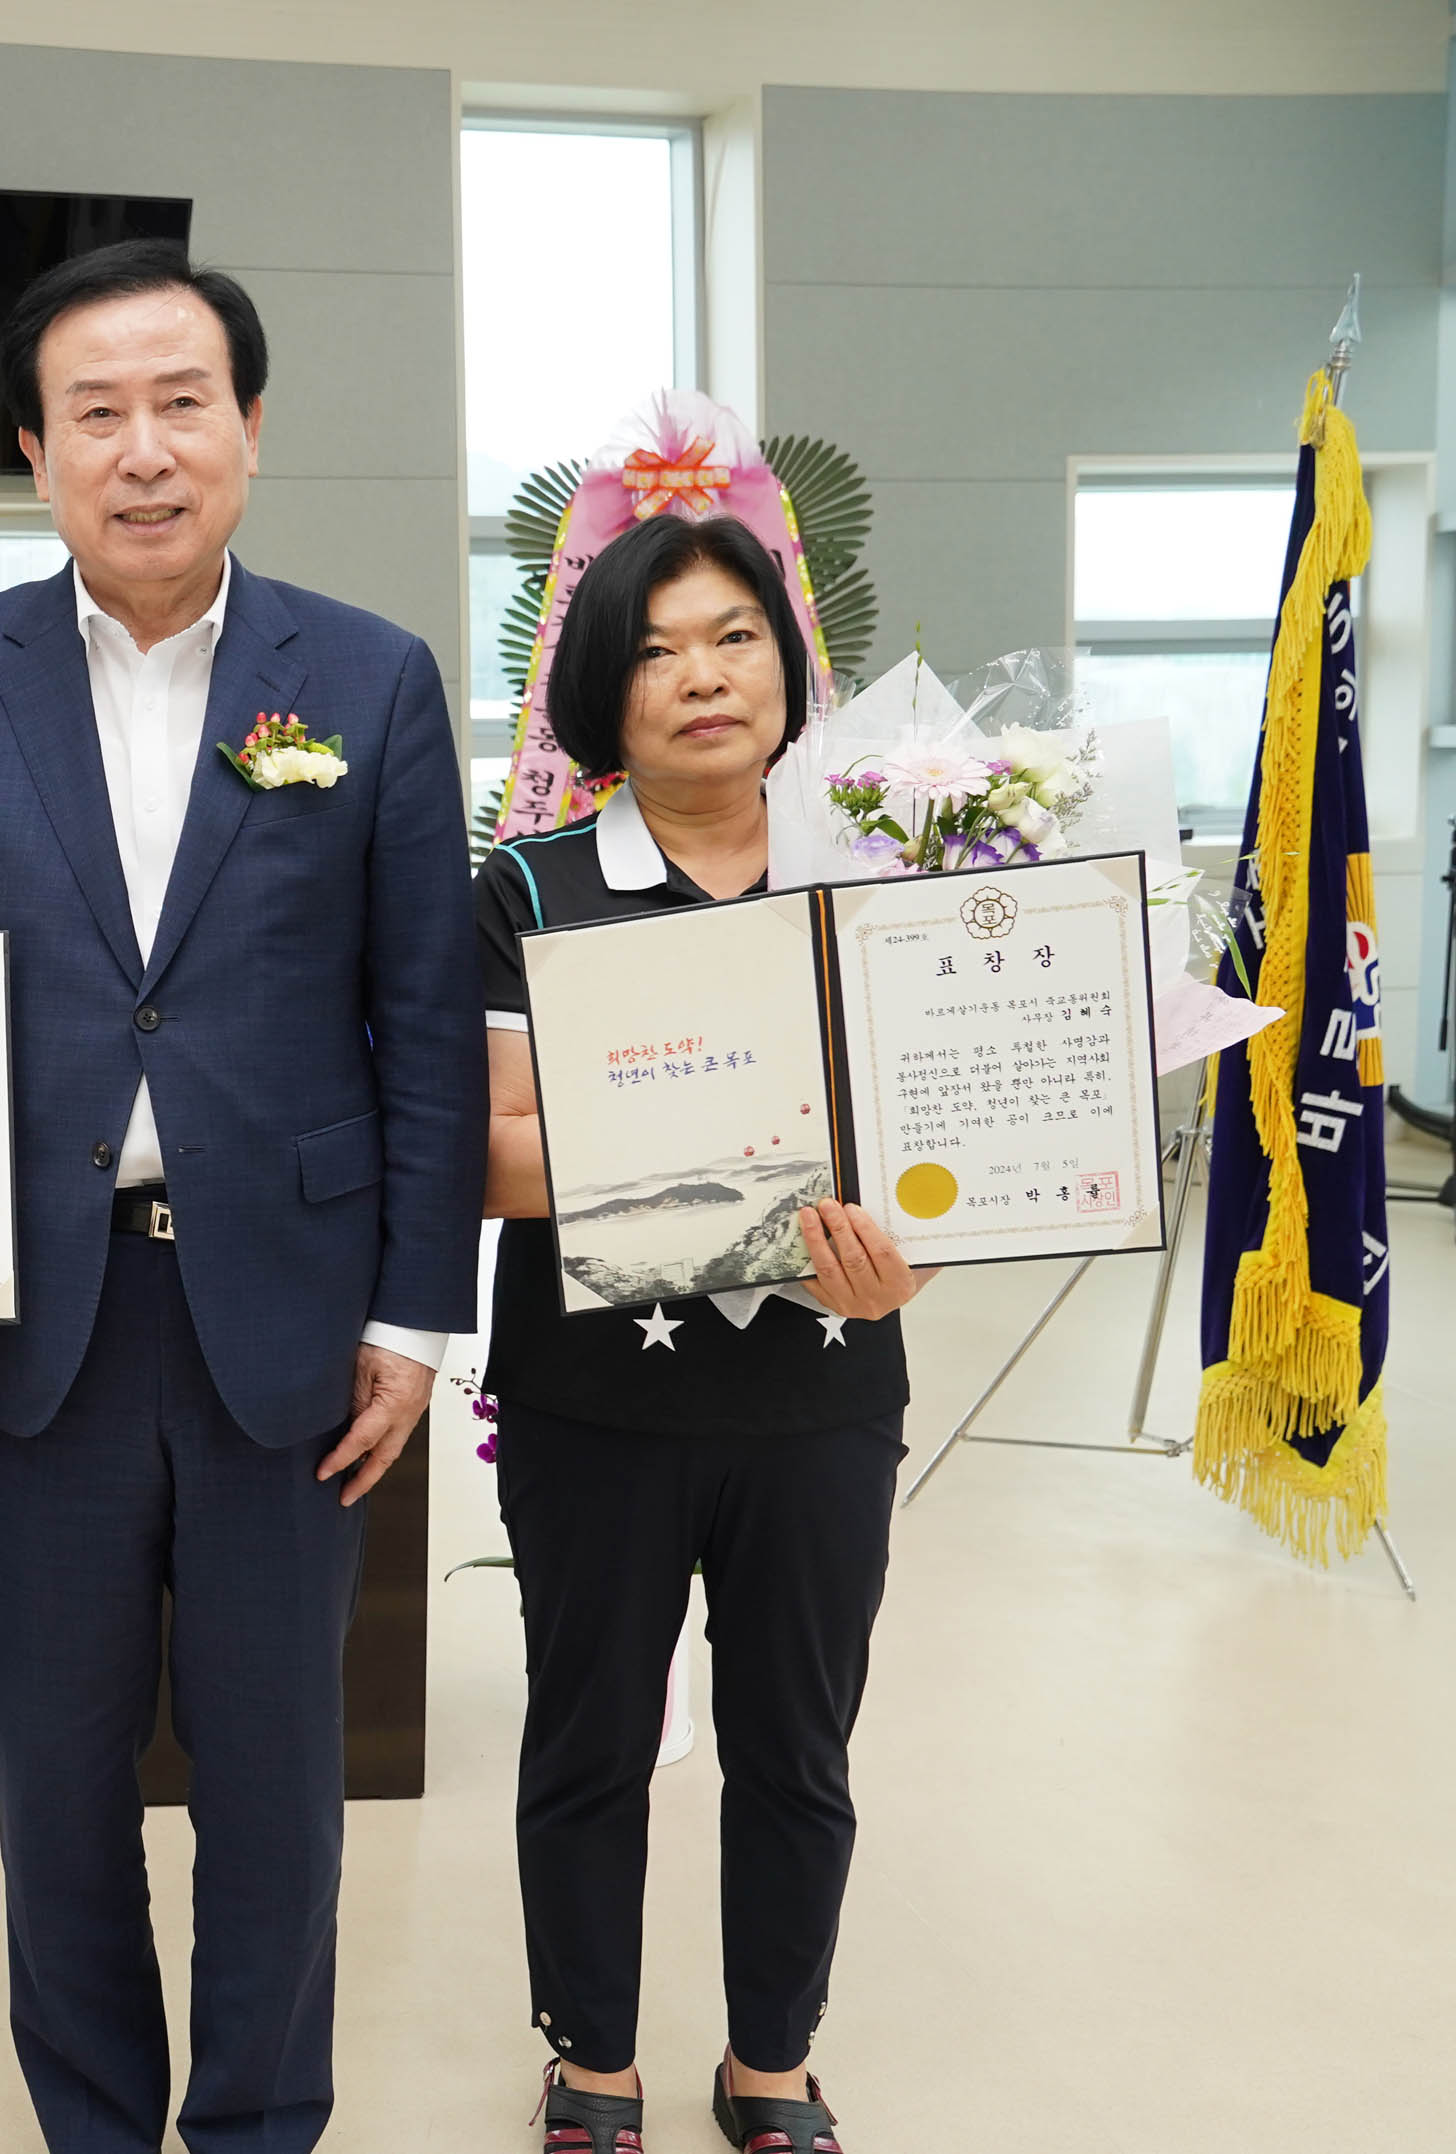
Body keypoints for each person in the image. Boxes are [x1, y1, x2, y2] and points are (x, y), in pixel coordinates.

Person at [0, 241, 487, 2152]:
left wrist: (411, 1317)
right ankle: (97, 2129)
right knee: (56, 1784)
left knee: (282, 1786)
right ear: (34, 453)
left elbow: (426, 1023)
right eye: (95, 414)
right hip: (36, 1319)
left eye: (181, 402)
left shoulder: (365, 674)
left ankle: (261, 2127)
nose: (143, 450)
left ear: (254, 429)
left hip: (292, 1319)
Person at [476, 512, 930, 2154]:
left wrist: (907, 1255)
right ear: (605, 688)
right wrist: (739, 1165)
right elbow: (495, 1151)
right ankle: (592, 2054)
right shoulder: (527, 886)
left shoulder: (872, 885)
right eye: (657, 647)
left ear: (784, 661)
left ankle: (771, 2059)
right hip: (594, 1401)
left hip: (821, 1398)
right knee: (586, 1738)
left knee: (798, 1746)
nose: (702, 675)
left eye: (734, 635)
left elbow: (929, 1152)